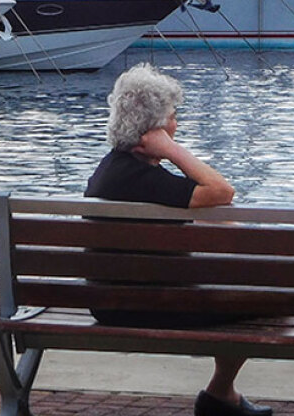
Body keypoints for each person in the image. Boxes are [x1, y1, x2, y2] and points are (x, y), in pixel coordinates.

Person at [85, 63, 271, 416]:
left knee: (248, 277)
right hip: (145, 306)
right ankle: (221, 392)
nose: (177, 124)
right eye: (173, 117)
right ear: (154, 129)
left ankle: (223, 394)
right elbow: (222, 191)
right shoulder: (142, 178)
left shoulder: (113, 170)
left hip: (110, 300)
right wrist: (173, 150)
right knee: (270, 295)